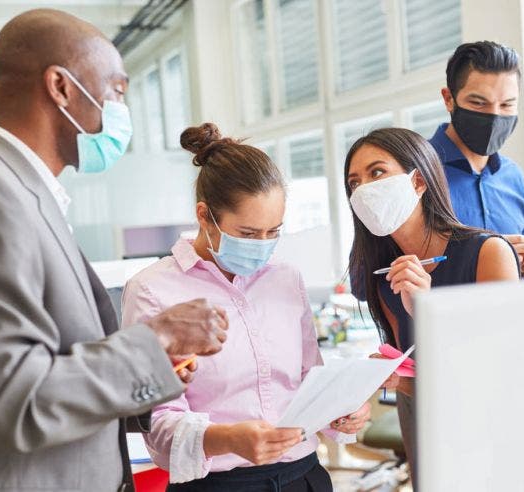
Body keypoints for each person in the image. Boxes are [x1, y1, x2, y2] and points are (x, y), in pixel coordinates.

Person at [0, 10, 228, 492]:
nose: (119, 108)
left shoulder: (26, 195)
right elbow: (10, 401)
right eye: (116, 89)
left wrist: (155, 367)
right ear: (61, 87)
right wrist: (154, 341)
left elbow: (50, 363)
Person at [122, 123, 370, 491]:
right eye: (249, 234)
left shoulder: (286, 279)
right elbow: (155, 421)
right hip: (218, 484)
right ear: (205, 216)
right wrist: (228, 438)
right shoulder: (153, 290)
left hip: (304, 476)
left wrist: (340, 411)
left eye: (274, 232)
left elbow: (307, 381)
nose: (263, 244)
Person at [344, 127, 521, 483]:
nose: (363, 189)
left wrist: (429, 309)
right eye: (353, 182)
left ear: (419, 182)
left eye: (377, 172)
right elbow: (415, 375)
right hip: (426, 428)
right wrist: (384, 382)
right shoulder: (384, 276)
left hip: (490, 439)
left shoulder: (489, 253)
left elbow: (501, 376)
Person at [429, 40, 524, 277]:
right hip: (442, 315)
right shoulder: (412, 171)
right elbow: (366, 280)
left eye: (507, 104)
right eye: (478, 103)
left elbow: (518, 270)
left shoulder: (513, 177)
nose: (494, 116)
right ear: (448, 99)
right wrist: (479, 259)